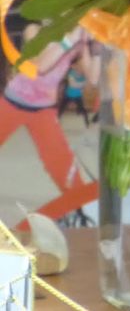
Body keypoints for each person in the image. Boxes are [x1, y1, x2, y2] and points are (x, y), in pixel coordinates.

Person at [0, 24, 97, 219]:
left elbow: (93, 78)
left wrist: (96, 47)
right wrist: (71, 38)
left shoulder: (79, 42)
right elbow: (40, 66)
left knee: (59, 160)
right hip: (13, 101)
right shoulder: (34, 29)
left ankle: (78, 206)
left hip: (44, 109)